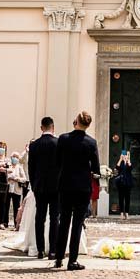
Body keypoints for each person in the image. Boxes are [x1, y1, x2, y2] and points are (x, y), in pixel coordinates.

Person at [53, 111, 100, 270]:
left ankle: (58, 258)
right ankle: (72, 260)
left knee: (64, 221)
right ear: (88, 124)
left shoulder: (63, 139)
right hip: (82, 187)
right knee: (77, 224)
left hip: (65, 185)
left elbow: (57, 161)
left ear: (76, 121)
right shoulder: (91, 142)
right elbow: (95, 167)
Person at [29, 117, 61, 259]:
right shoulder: (58, 143)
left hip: (39, 186)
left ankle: (40, 249)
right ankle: (53, 250)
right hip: (56, 187)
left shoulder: (34, 145)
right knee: (54, 218)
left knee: (39, 217)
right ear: (53, 127)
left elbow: (31, 168)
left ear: (41, 128)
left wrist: (33, 184)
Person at [6, 151, 27, 229]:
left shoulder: (20, 167)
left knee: (16, 207)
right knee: (6, 205)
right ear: (11, 158)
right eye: (13, 156)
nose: (15, 158)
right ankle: (5, 223)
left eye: (16, 157)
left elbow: (24, 179)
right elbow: (5, 175)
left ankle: (16, 224)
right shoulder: (8, 165)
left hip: (17, 189)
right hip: (8, 189)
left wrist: (17, 178)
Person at [0, 141, 10, 229]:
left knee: (2, 203)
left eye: (3, 147)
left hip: (4, 182)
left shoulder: (7, 159)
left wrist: (0, 168)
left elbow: (10, 169)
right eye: (0, 147)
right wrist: (1, 167)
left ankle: (1, 222)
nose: (2, 149)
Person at [114, 150, 133, 219]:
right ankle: (121, 213)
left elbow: (130, 168)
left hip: (128, 183)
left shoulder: (129, 163)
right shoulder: (120, 163)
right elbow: (116, 168)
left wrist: (128, 160)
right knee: (121, 198)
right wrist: (120, 159)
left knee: (127, 199)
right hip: (121, 183)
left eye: (126, 155)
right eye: (124, 155)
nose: (125, 156)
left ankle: (127, 213)